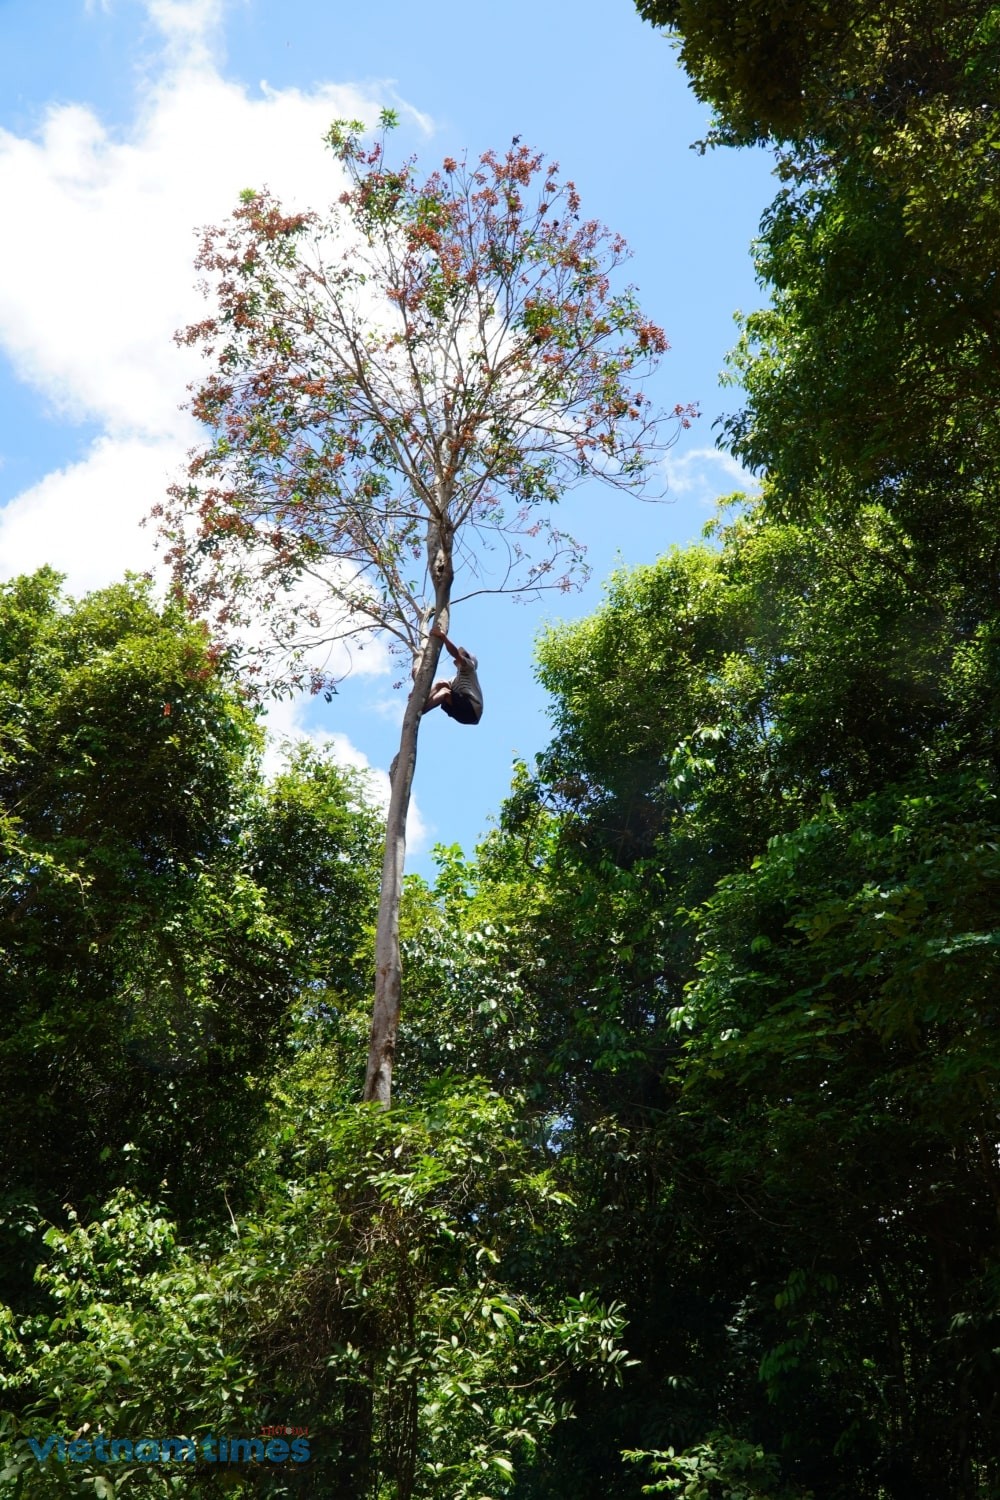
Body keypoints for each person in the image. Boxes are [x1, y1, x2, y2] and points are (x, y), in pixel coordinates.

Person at [422, 625, 483, 724]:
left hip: (472, 709)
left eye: (465, 655)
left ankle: (420, 711)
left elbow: (455, 654)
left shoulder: (470, 668)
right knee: (442, 683)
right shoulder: (455, 679)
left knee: (445, 692)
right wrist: (420, 695)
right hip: (462, 711)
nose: (462, 656)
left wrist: (443, 637)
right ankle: (421, 703)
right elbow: (440, 686)